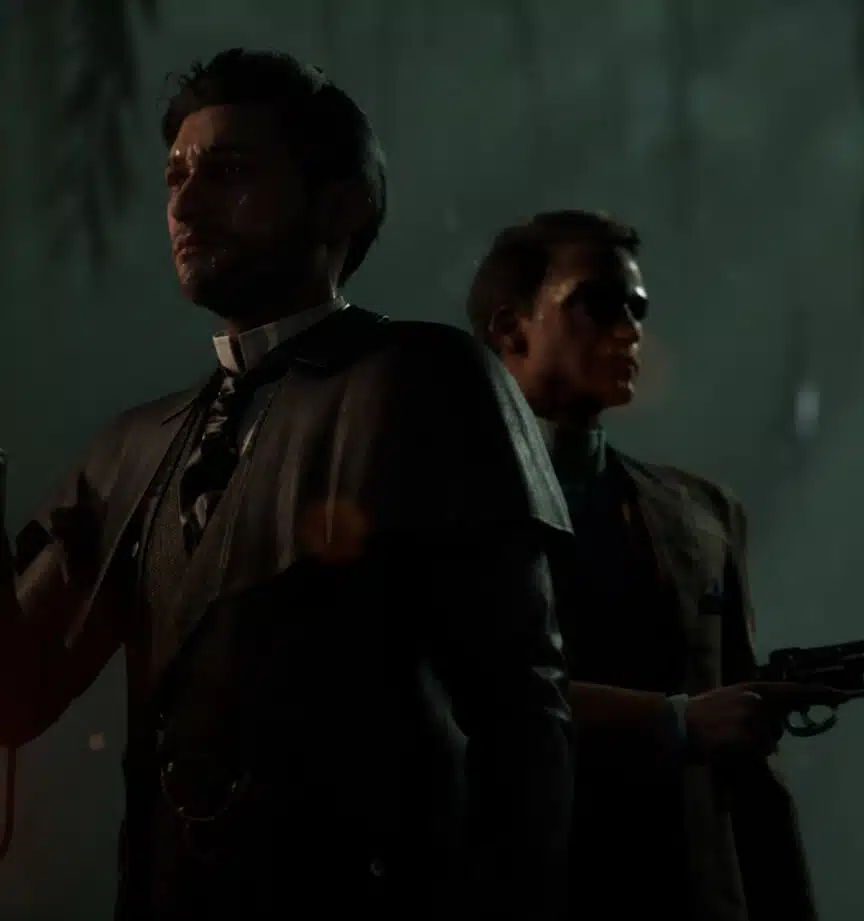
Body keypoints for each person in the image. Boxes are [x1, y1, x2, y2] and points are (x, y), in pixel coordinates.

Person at [0, 52, 574, 921]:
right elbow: (14, 694)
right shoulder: (132, 448)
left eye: (229, 171)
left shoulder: (425, 379)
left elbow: (521, 709)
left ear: (338, 205)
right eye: (175, 176)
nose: (185, 205)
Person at [466, 209, 847, 921]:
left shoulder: (700, 513)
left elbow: (747, 770)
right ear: (512, 329)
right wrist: (674, 722)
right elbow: (453, 700)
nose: (628, 330)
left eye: (636, 308)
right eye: (595, 304)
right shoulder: (433, 499)